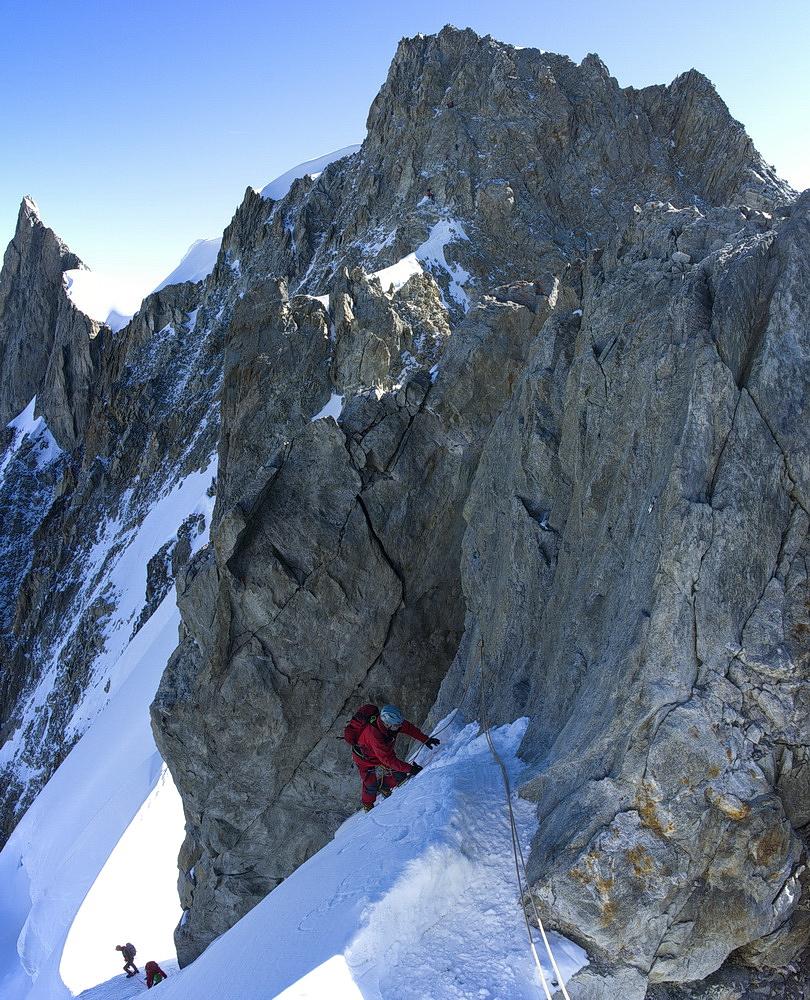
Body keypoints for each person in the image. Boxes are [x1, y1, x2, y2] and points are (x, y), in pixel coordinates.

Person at [352, 704, 439, 811]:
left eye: (399, 724)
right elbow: (388, 760)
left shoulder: (394, 724)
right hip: (364, 759)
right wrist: (411, 769)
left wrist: (426, 739)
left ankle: (383, 786)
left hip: (382, 753)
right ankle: (368, 805)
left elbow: (409, 729)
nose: (400, 726)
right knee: (370, 785)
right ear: (387, 724)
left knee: (400, 776)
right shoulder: (374, 734)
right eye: (397, 725)